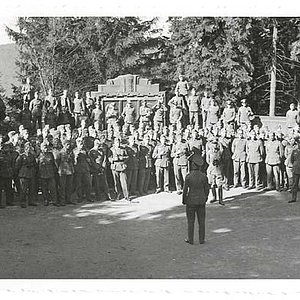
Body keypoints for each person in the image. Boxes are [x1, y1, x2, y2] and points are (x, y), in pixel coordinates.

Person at [182, 155, 210, 245]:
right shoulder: (204, 176)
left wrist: (184, 200)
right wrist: (205, 197)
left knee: (191, 222)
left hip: (191, 201)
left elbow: (185, 190)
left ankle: (191, 239)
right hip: (201, 201)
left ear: (193, 165)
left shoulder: (188, 176)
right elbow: (207, 189)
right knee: (201, 221)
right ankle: (201, 239)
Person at [15, 141, 37, 208]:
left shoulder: (32, 156)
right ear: (24, 149)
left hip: (31, 173)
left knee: (32, 189)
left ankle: (31, 201)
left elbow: (35, 164)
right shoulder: (21, 156)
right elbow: (17, 166)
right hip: (23, 174)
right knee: (23, 189)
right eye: (27, 148)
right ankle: (22, 202)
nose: (28, 149)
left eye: (29, 148)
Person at [37, 141, 58, 206]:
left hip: (51, 173)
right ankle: (46, 200)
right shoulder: (39, 155)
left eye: (46, 147)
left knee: (53, 188)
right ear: (41, 148)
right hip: (42, 174)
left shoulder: (51, 154)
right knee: (44, 188)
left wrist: (55, 171)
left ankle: (54, 201)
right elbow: (37, 165)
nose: (45, 148)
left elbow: (54, 164)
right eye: (44, 147)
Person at [206, 139, 225, 205]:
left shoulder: (220, 152)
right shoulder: (209, 152)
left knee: (219, 185)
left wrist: (219, 164)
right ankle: (214, 197)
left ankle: (220, 199)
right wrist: (212, 164)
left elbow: (223, 160)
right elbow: (207, 161)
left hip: (218, 170)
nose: (214, 145)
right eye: (213, 144)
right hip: (211, 170)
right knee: (212, 184)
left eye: (216, 144)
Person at [289, 137, 300, 203]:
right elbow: (292, 160)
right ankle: (293, 198)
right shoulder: (294, 151)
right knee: (294, 184)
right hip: (296, 169)